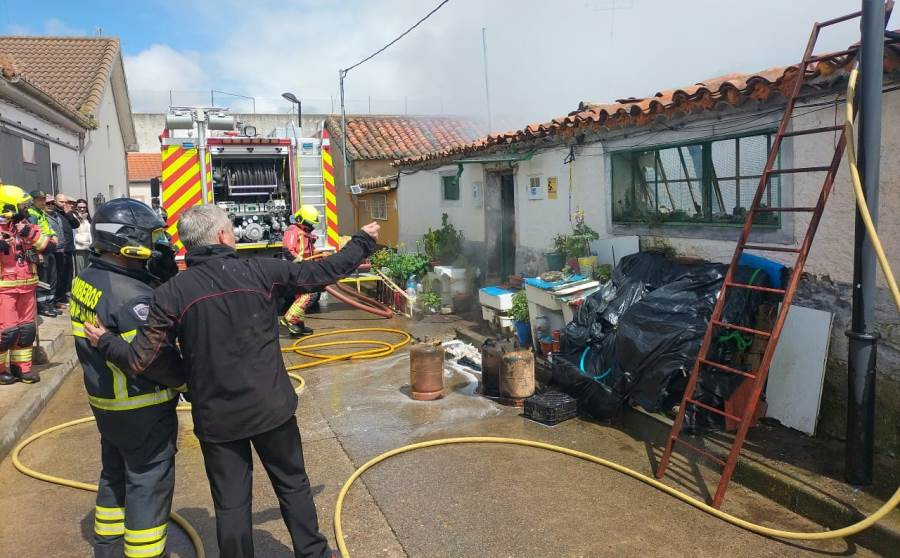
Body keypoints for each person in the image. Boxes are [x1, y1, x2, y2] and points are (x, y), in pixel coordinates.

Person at [85, 204, 379, 558]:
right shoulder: (262, 271)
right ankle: (313, 553)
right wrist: (362, 241)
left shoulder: (171, 293)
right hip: (272, 409)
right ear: (223, 236)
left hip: (217, 418)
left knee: (232, 505)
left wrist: (106, 342)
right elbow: (321, 271)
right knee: (293, 486)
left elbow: (140, 359)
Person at [72, 198, 183, 558]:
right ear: (128, 240)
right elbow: (152, 361)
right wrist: (187, 383)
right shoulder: (132, 299)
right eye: (150, 238)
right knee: (148, 484)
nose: (156, 246)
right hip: (142, 408)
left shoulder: (86, 279)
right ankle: (145, 552)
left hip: (107, 405)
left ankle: (107, 547)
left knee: (114, 476)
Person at [0, 185, 52, 385]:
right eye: (22, 206)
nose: (26, 209)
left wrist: (31, 233)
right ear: (8, 206)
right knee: (7, 332)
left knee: (26, 330)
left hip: (27, 286)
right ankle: (1, 369)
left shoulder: (26, 225)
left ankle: (22, 368)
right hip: (5, 289)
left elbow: (49, 246)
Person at [279, 205, 321, 337]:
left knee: (301, 297)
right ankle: (289, 319)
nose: (311, 226)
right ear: (300, 219)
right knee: (308, 295)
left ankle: (298, 326)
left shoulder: (304, 233)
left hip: (304, 268)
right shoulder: (292, 230)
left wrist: (319, 254)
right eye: (309, 223)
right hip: (295, 269)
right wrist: (301, 263)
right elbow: (288, 251)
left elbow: (307, 251)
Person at [27, 190, 58, 317]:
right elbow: (32, 236)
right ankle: (43, 306)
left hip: (49, 249)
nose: (43, 202)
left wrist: (54, 235)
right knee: (43, 280)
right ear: (33, 201)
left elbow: (47, 228)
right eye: (39, 199)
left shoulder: (41, 213)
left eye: (44, 199)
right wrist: (37, 252)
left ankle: (50, 303)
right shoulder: (31, 214)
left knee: (52, 278)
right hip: (41, 251)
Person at [51, 193, 80, 308]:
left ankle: (64, 295)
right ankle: (58, 298)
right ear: (56, 202)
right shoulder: (54, 214)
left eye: (65, 202)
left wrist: (68, 213)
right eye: (61, 202)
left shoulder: (67, 213)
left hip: (69, 248)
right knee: (60, 274)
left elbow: (76, 224)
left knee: (68, 274)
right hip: (59, 249)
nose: (64, 204)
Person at [73, 198, 92, 273]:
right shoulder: (74, 218)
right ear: (76, 208)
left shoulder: (88, 220)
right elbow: (76, 233)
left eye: (84, 207)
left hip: (89, 249)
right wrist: (79, 218)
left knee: (88, 271)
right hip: (79, 249)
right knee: (80, 271)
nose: (82, 209)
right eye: (79, 207)